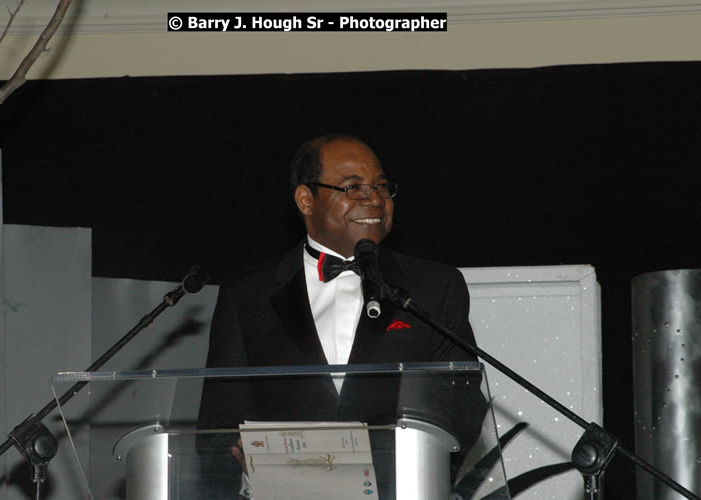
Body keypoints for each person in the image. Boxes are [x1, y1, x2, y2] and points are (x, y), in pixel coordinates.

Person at [197, 134, 486, 498]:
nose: (375, 198)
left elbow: (463, 405)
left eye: (381, 186)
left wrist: (387, 453)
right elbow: (215, 425)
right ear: (306, 199)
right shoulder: (248, 295)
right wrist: (238, 448)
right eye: (353, 187)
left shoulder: (433, 286)